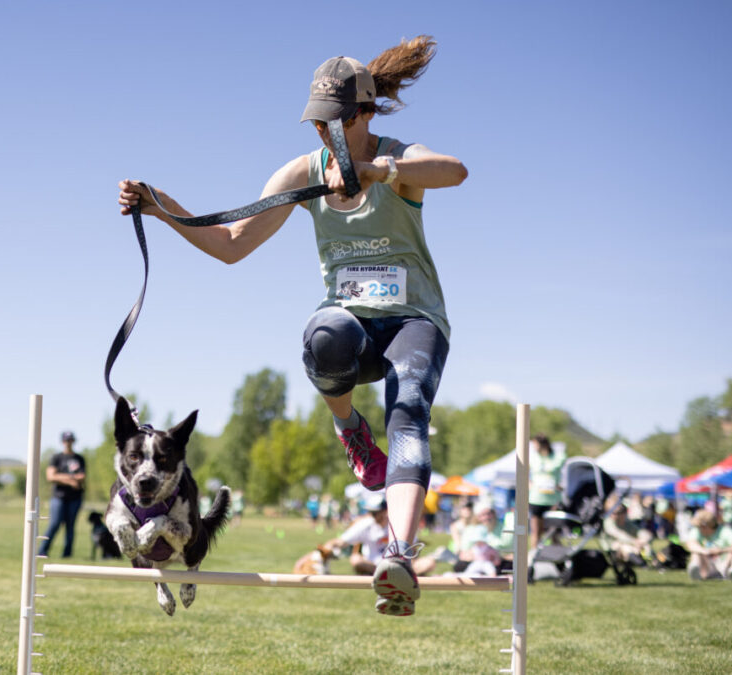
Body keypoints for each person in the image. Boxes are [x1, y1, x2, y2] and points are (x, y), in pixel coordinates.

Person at [119, 37, 466, 616]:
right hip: (349, 324)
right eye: (316, 122)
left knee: (409, 411)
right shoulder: (302, 173)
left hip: (413, 321)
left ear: (363, 114)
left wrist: (378, 170)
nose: (322, 133)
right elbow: (232, 245)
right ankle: (350, 429)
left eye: (334, 121)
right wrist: (161, 204)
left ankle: (400, 555)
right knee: (322, 336)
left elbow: (454, 170)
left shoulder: (398, 159)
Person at [333, 495, 435, 579]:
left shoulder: (398, 524)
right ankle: (393, 575)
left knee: (429, 562)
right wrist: (327, 548)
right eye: (371, 512)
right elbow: (342, 541)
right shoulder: (364, 524)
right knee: (355, 559)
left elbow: (412, 548)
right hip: (373, 564)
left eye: (375, 512)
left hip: (398, 565)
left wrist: (410, 563)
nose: (372, 515)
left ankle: (391, 574)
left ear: (385, 511)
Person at [38, 431, 86, 558]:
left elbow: (82, 476)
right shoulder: (56, 458)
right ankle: (42, 550)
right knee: (54, 524)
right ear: (62, 442)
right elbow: (51, 476)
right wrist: (71, 480)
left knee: (70, 526)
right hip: (58, 497)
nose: (68, 443)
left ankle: (67, 554)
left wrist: (61, 477)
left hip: (75, 497)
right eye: (66, 440)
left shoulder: (79, 458)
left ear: (73, 441)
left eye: (70, 440)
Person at [684, 508, 732, 581]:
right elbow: (691, 544)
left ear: (706, 526)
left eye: (700, 526)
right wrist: (706, 551)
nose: (698, 528)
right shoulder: (696, 530)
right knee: (696, 552)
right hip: (708, 565)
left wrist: (721, 551)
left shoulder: (724, 531)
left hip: (725, 564)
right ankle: (695, 570)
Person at [528, 434, 565, 550]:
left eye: (536, 444)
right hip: (536, 499)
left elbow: (556, 467)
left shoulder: (558, 457)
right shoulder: (533, 458)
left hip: (553, 500)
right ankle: (533, 559)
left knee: (553, 533)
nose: (534, 447)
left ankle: (560, 560)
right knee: (536, 532)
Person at [602, 498, 653, 565]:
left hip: (632, 545)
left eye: (623, 510)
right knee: (625, 547)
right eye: (618, 512)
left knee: (645, 545)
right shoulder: (608, 522)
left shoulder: (627, 523)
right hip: (612, 550)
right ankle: (640, 560)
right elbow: (619, 535)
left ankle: (648, 560)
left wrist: (643, 540)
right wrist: (635, 542)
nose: (623, 513)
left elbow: (640, 532)